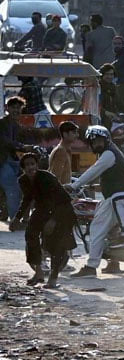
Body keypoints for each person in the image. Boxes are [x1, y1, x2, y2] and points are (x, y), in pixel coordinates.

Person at [69, 126, 124, 278]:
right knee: (111, 229)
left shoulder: (108, 154)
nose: (97, 144)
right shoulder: (110, 151)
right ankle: (114, 262)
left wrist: (74, 185)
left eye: (99, 141)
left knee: (96, 228)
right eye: (94, 141)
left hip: (116, 198)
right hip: (119, 196)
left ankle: (91, 266)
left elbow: (93, 171)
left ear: (106, 140)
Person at [14, 153, 77, 288]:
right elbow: (27, 199)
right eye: (27, 165)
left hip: (61, 209)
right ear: (23, 168)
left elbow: (59, 201)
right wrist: (17, 218)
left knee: (55, 243)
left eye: (33, 164)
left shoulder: (47, 178)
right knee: (30, 234)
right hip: (43, 209)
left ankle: (53, 279)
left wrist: (53, 220)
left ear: (37, 165)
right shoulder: (23, 181)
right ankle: (38, 272)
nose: (30, 167)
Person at [1, 97, 34, 229]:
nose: (16, 110)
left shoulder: (17, 125)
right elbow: (5, 141)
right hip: (2, 161)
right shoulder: (2, 124)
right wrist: (22, 146)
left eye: (18, 108)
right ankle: (15, 221)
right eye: (13, 107)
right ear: (7, 108)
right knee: (13, 188)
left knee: (24, 186)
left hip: (12, 161)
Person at [49, 121, 79, 185]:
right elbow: (55, 177)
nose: (77, 135)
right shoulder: (61, 151)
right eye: (74, 133)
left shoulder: (67, 149)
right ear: (65, 134)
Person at [98, 64, 119, 130]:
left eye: (111, 74)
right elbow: (94, 105)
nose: (109, 76)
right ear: (102, 75)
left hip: (112, 121)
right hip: (100, 121)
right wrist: (106, 112)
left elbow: (120, 103)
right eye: (107, 74)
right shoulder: (97, 87)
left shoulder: (113, 87)